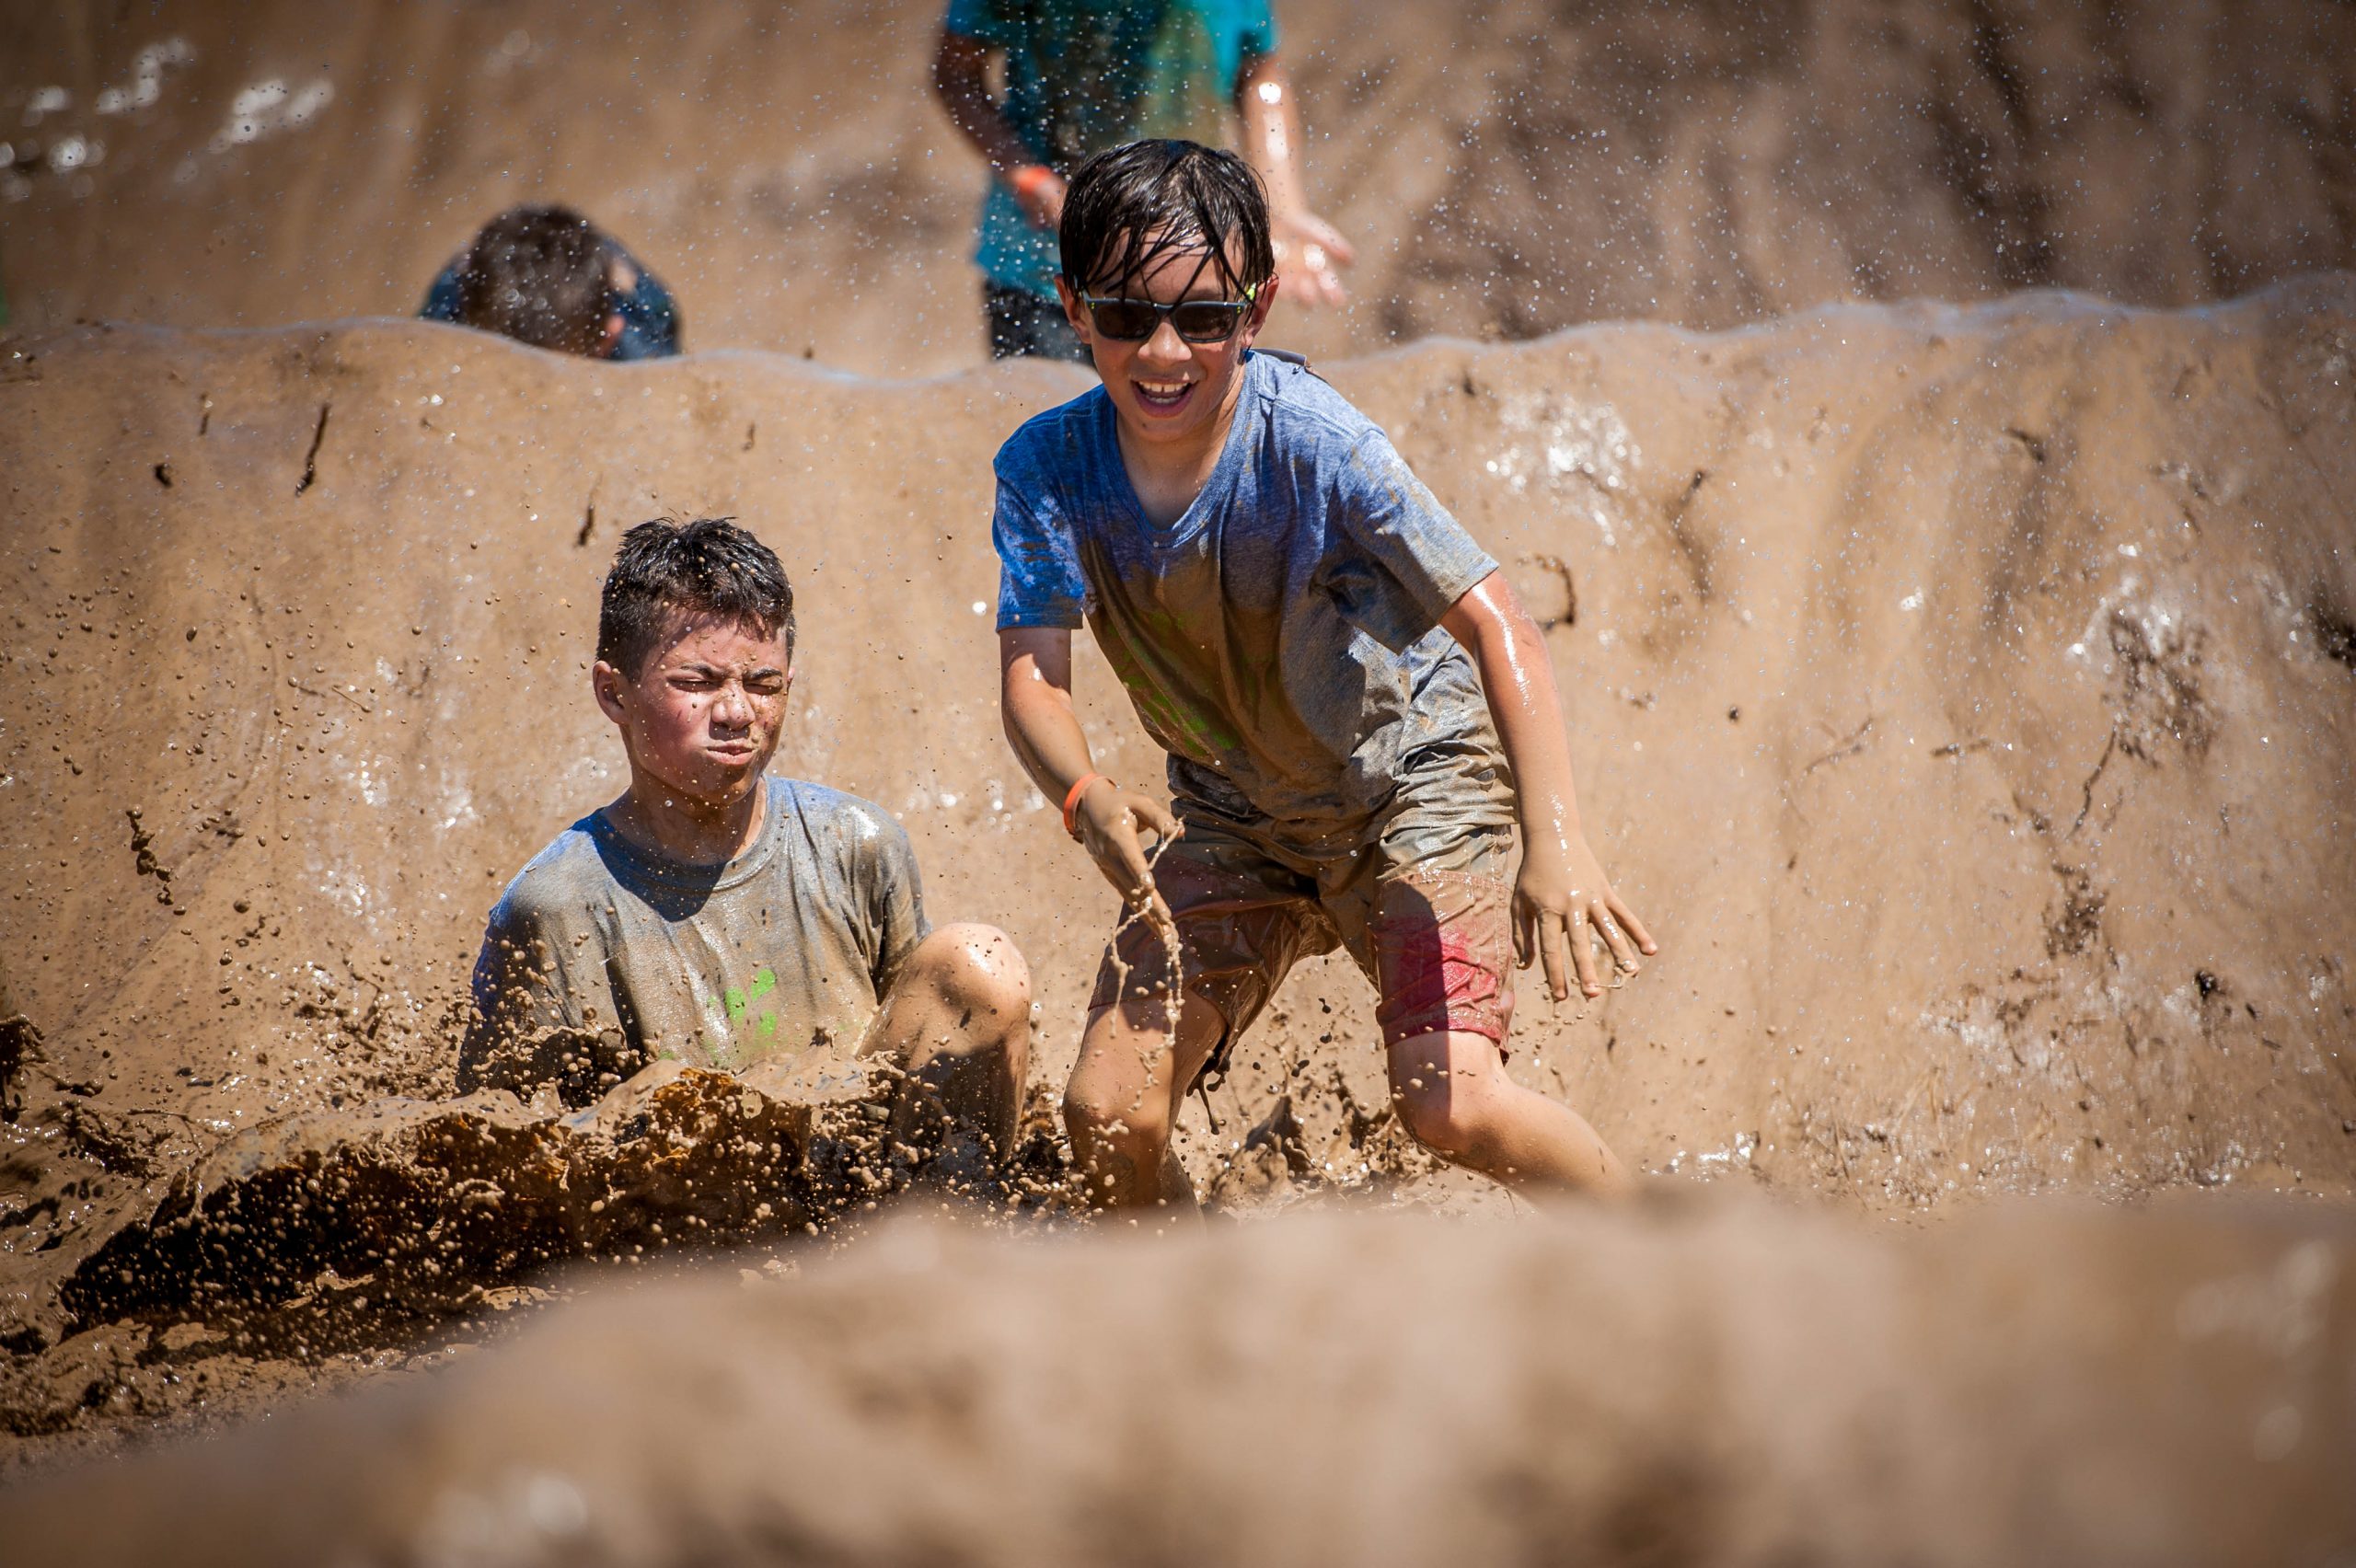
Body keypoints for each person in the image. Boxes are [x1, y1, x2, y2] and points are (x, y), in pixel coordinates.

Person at [989, 141, 1657, 1210]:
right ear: (1071, 307)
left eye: (1203, 318)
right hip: (1234, 818)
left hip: (1410, 788)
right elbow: (1034, 679)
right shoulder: (1044, 470)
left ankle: (1667, 1249)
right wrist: (1082, 793)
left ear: (1254, 313)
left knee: (1452, 1108)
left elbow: (1501, 625)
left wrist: (1558, 839)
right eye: (1126, 316)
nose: (1164, 352)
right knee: (1107, 1111)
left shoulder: (1316, 445)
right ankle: (1178, 1319)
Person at [460, 517, 1030, 1173]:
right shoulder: (555, 907)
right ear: (613, 693)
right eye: (697, 684)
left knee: (980, 962)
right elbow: (489, 1160)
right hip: (679, 1228)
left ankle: (959, 1246)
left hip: (857, 1191)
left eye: (761, 684)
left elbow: (927, 1057)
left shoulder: (856, 846)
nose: (736, 713)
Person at [931, 0, 1353, 363]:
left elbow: (1259, 76)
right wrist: (1028, 177)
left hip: (1190, 271)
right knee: (1063, 438)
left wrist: (1281, 210)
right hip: (1046, 269)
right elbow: (956, 74)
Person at [421, 204, 682, 361]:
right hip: (490, 274)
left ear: (609, 336)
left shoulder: (639, 340)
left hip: (612, 288)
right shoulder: (448, 319)